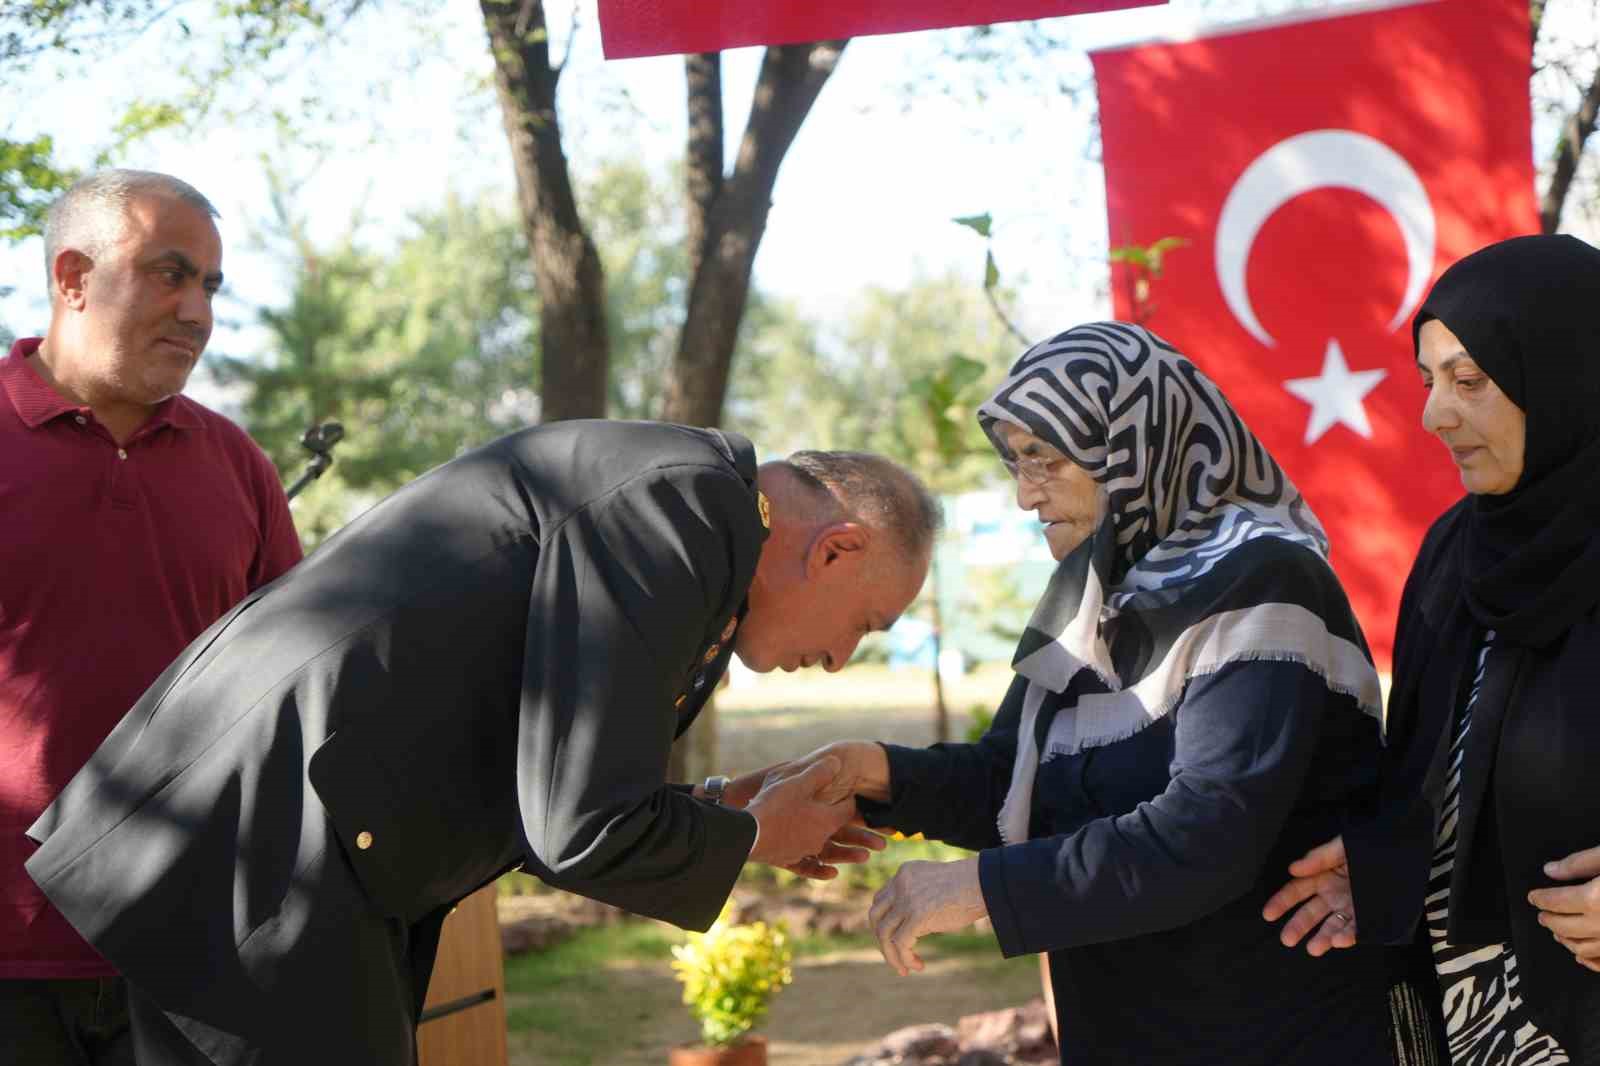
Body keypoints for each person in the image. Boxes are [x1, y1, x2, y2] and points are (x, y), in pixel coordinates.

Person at [25, 425, 936, 1065]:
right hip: (262, 848)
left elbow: (551, 784)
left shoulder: (687, 502)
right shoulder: (685, 509)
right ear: (836, 549)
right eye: (867, 622)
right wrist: (754, 838)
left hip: (271, 841)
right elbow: (578, 826)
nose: (841, 659)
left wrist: (719, 810)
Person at [758, 322, 1393, 1065]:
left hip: (1272, 1027)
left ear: (1133, 445)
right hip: (1131, 1026)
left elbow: (1206, 833)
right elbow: (1016, 782)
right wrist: (877, 774)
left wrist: (985, 889)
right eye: (1016, 463)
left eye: (1046, 460)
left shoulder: (1263, 579)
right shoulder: (1091, 591)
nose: (1027, 494)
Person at [1264, 234, 1600, 1064]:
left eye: (1470, 381)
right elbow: (1436, 766)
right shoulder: (1458, 551)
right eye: (1429, 382)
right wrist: (1383, 866)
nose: (1434, 414)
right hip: (1476, 1017)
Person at [0, 170, 302, 1066]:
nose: (198, 311)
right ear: (72, 277)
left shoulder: (239, 466)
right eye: (169, 274)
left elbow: (293, 685)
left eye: (209, 284)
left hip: (190, 946)